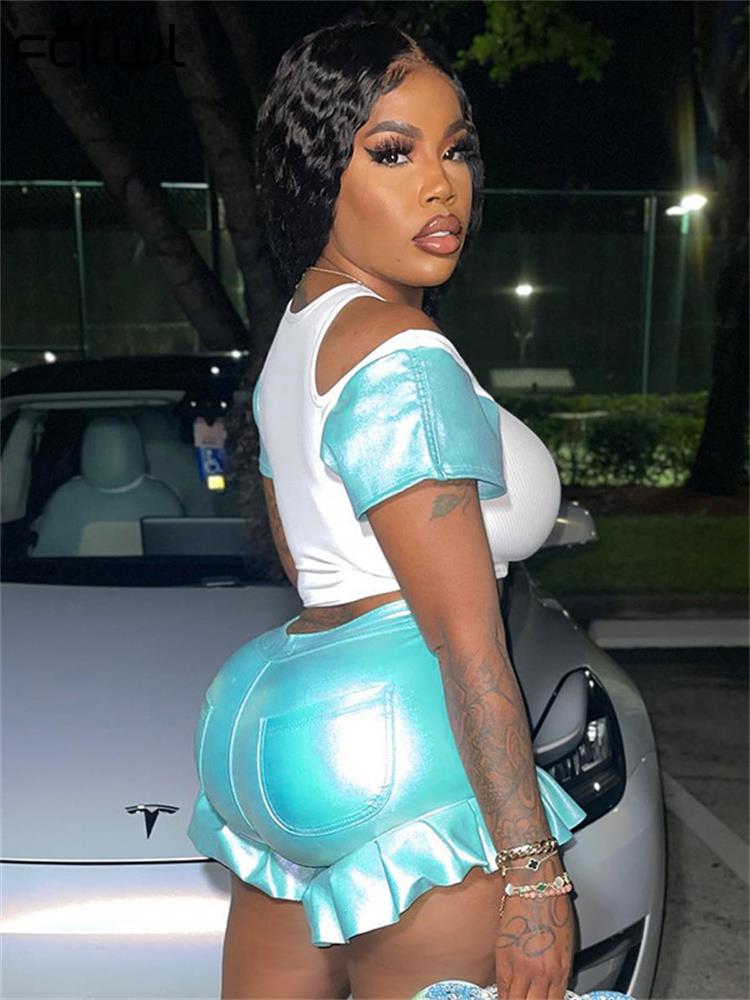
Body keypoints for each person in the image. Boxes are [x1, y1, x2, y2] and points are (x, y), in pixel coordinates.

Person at [186, 21, 587, 1000]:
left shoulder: (299, 332)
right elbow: (466, 639)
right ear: (317, 173)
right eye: (394, 152)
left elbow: (307, 563)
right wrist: (534, 877)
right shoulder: (402, 353)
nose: (442, 186)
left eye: (456, 149)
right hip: (405, 751)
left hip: (277, 734)